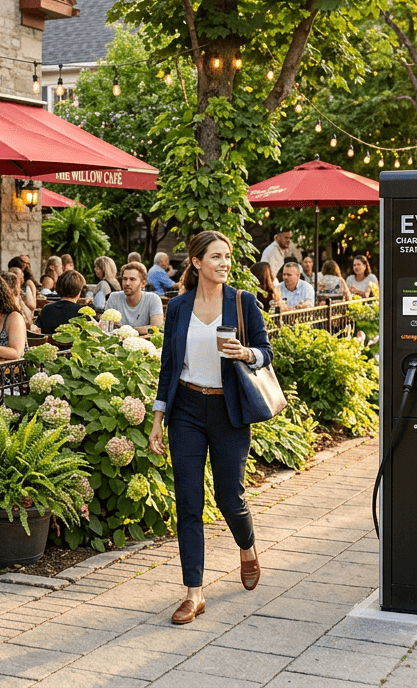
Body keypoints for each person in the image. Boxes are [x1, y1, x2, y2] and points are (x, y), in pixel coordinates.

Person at [148, 231, 270, 625]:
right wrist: (157, 419)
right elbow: (169, 366)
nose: (224, 263)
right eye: (216, 257)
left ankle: (247, 547)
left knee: (229, 497)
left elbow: (266, 352)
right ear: (197, 262)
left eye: (228, 257)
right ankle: (194, 592)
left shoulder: (242, 302)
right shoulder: (179, 307)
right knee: (188, 501)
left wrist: (246, 352)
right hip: (186, 408)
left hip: (228, 409)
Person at [107, 261, 164, 334]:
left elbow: (157, 328)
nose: (127, 283)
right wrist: (142, 329)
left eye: (132, 279)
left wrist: (127, 330)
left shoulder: (153, 299)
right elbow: (106, 327)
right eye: (124, 279)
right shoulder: (114, 297)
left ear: (143, 283)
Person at [36, 270, 88, 337]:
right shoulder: (83, 312)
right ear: (79, 291)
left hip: (50, 346)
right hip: (73, 347)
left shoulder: (46, 309)